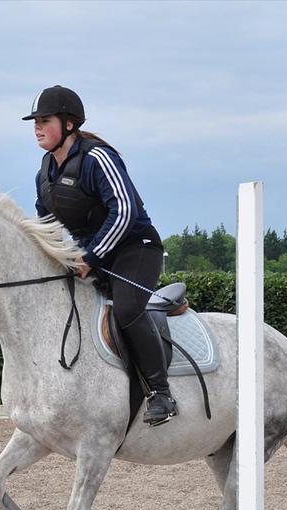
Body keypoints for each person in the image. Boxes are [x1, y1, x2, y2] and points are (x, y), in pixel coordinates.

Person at [23, 84, 177, 426]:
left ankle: (160, 393)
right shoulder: (44, 173)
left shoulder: (97, 158)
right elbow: (46, 226)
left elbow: (124, 211)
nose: (36, 127)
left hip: (136, 249)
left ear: (68, 124)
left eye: (43, 120)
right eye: (34, 121)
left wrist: (90, 257)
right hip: (92, 256)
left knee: (126, 309)